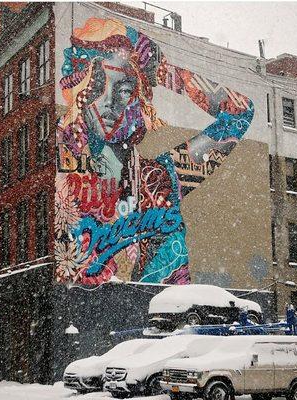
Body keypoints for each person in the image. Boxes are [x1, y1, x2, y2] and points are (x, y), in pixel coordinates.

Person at [55, 18, 254, 285]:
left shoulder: (162, 179)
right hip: (93, 317)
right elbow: (72, 271)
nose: (110, 102)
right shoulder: (70, 177)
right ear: (82, 92)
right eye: (98, 84)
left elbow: (240, 113)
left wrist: (164, 73)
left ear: (138, 99)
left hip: (168, 317)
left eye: (124, 89)